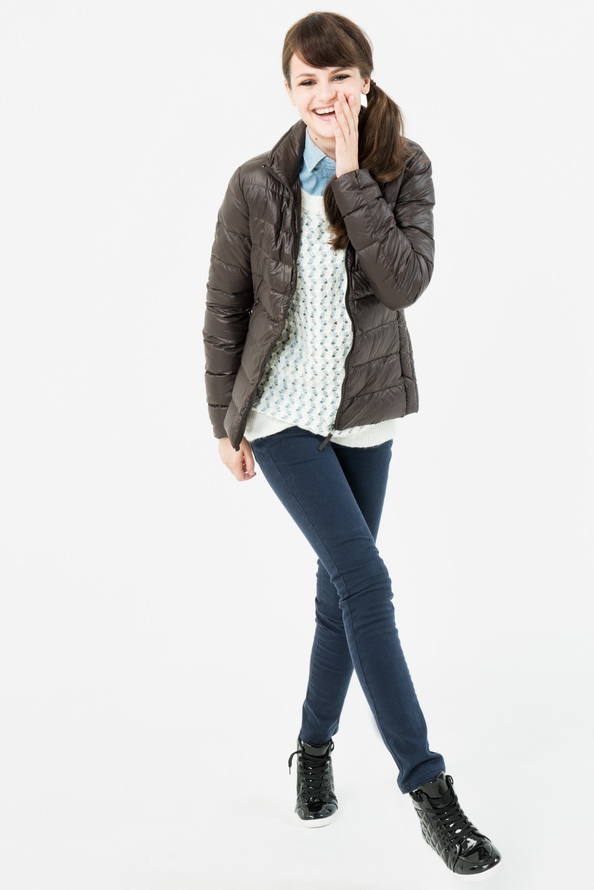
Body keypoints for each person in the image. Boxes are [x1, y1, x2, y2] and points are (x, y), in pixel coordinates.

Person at [203, 11, 502, 879]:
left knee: (340, 593)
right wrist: (224, 420)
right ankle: (430, 791)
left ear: (365, 81)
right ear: (289, 90)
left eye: (340, 77)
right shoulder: (254, 184)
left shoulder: (405, 168)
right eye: (308, 80)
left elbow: (404, 283)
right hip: (281, 415)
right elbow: (225, 308)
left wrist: (350, 175)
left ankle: (313, 747)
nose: (325, 94)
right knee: (366, 580)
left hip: (366, 409)